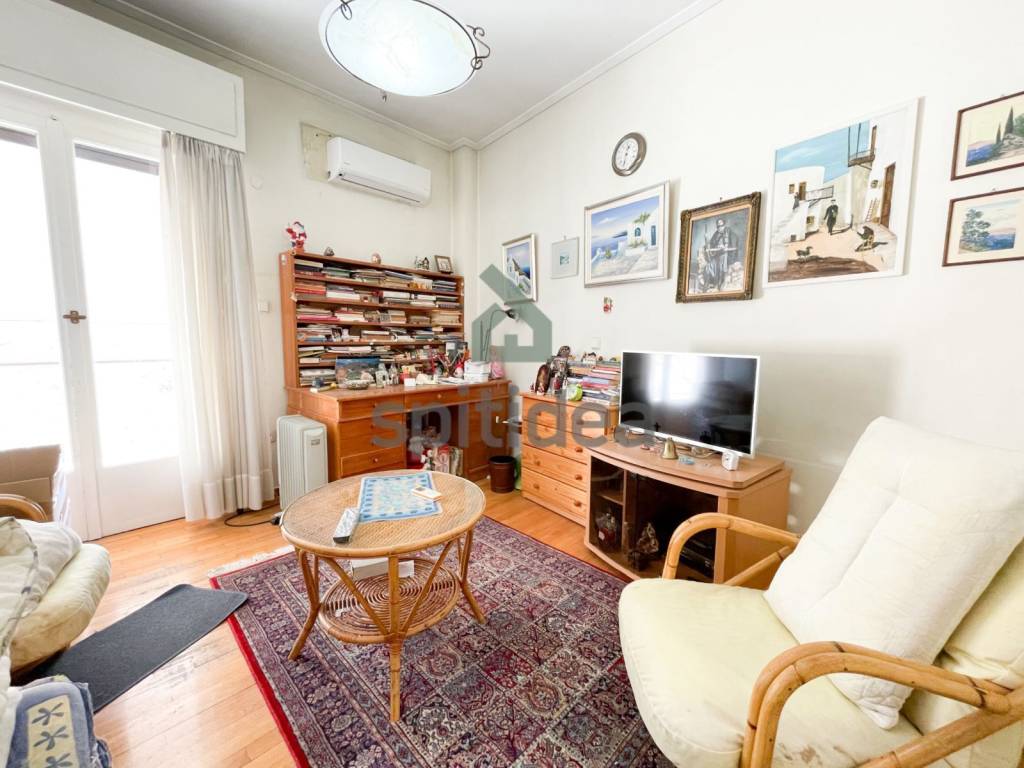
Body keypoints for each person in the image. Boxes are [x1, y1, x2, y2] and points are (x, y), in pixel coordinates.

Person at [705, 219, 739, 291]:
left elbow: (734, 246)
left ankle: (719, 285)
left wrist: (725, 247)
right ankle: (711, 284)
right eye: (718, 226)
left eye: (721, 225)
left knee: (721, 267)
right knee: (709, 266)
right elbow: (711, 244)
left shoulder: (730, 233)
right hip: (716, 255)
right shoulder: (716, 234)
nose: (719, 227)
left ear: (724, 225)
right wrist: (707, 239)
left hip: (726, 255)